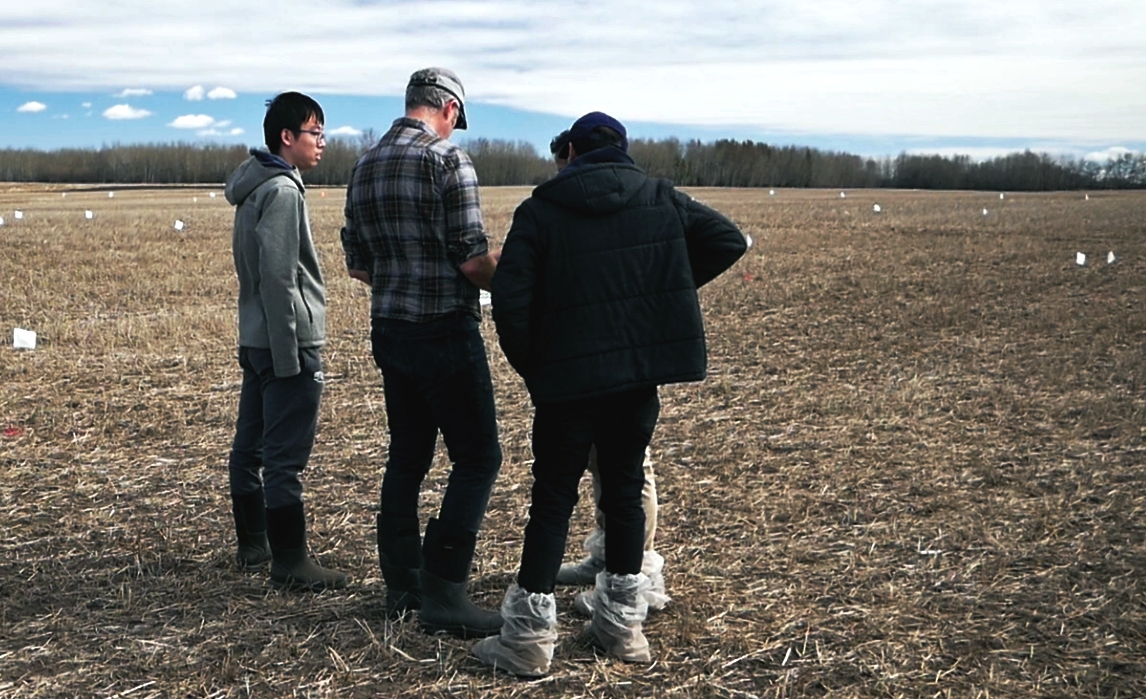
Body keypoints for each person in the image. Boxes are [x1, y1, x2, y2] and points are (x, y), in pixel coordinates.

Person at [473, 112, 747, 676]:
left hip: (564, 384)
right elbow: (727, 239)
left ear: (572, 150)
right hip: (634, 378)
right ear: (622, 150)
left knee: (552, 502)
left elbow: (511, 299)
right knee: (622, 497)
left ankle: (527, 641)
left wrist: (535, 365)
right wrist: (656, 287)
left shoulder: (541, 209)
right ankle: (621, 629)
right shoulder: (658, 197)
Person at [340, 67, 504, 639]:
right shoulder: (446, 160)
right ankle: (446, 591)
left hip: (390, 330)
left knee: (407, 457)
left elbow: (358, 263)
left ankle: (401, 584)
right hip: (444, 333)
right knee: (478, 457)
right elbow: (472, 261)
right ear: (449, 111)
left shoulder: (363, 164)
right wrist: (522, 281)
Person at [224, 91, 347, 592]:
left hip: (256, 337)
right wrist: (289, 353)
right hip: (284, 343)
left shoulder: (254, 187)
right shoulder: (281, 192)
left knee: (248, 446)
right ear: (287, 138)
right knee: (283, 457)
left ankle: (254, 545)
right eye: (315, 132)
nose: (321, 142)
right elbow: (278, 278)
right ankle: (290, 561)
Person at [546, 129, 670, 614]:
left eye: (565, 166)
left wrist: (668, 285)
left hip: (625, 361)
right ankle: (607, 558)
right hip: (594, 357)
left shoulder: (638, 200)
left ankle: (633, 574)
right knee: (605, 464)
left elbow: (723, 239)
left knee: (632, 471)